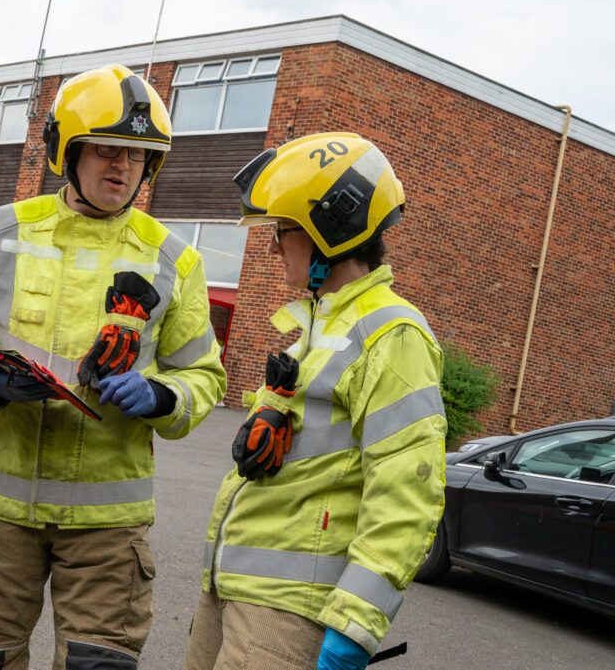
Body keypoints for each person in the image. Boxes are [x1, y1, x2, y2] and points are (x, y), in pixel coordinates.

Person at [0, 64, 227, 670]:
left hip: (109, 529)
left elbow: (205, 378)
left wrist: (163, 398)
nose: (122, 168)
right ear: (67, 149)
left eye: (138, 157)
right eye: (106, 150)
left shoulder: (176, 261)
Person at [183, 132, 447, 670]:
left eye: (283, 232)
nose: (274, 246)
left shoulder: (391, 335)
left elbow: (407, 493)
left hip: (288, 613)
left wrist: (356, 623)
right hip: (234, 589)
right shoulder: (321, 326)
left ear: (332, 229)